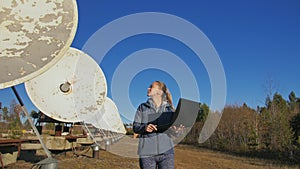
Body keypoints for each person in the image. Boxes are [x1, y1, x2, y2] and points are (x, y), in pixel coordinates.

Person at [133, 81, 181, 169]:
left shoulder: (170, 110)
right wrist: (145, 127)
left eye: (151, 87)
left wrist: (176, 131)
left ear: (159, 92)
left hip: (167, 153)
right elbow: (135, 127)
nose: (148, 88)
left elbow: (174, 133)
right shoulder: (142, 107)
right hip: (147, 153)